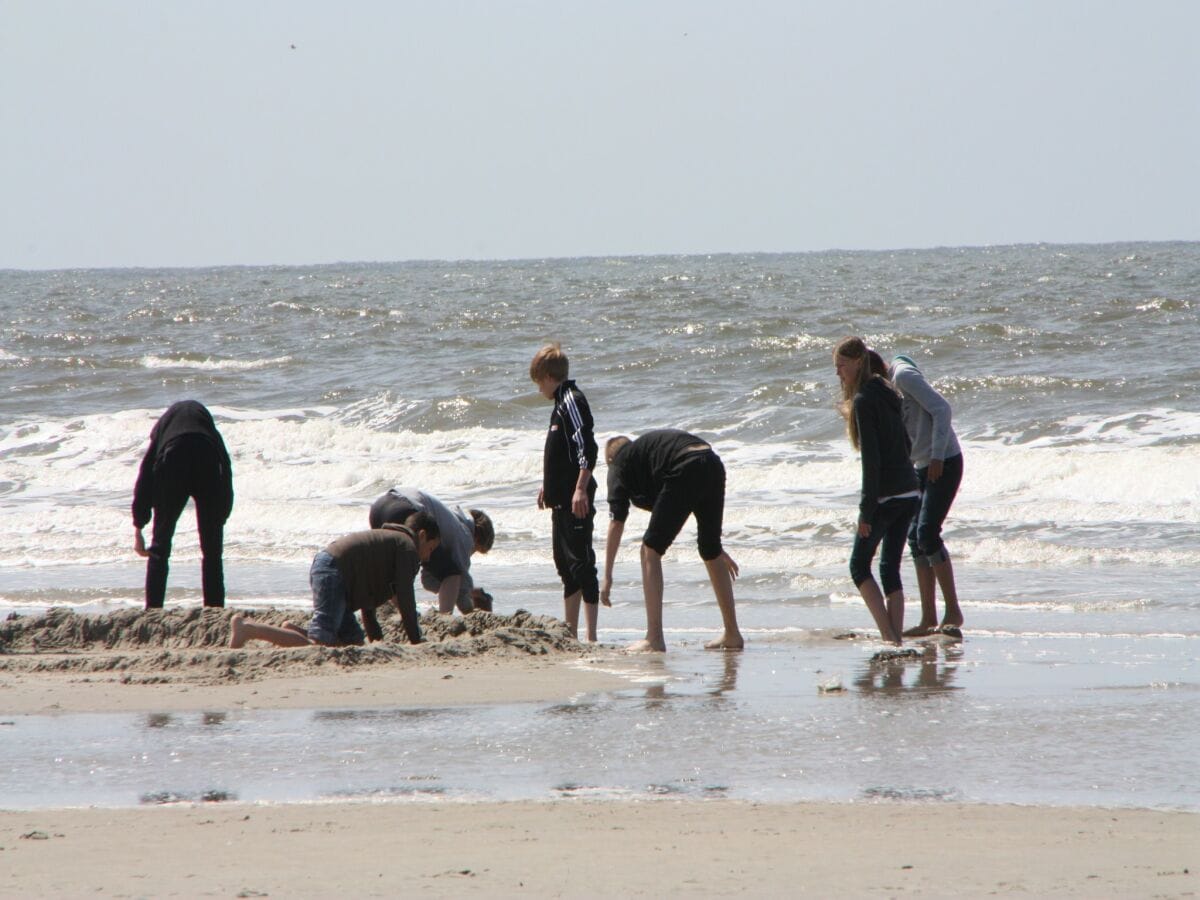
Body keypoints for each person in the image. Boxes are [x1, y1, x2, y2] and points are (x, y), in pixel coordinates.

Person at [601, 429, 744, 652]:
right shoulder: (647, 456)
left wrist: (607, 576)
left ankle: (654, 637)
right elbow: (683, 500)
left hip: (685, 465)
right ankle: (732, 633)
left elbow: (616, 522)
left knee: (649, 550)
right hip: (711, 461)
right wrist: (717, 548)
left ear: (609, 460)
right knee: (710, 549)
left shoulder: (619, 463)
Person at [229, 511, 440, 649]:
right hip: (333, 573)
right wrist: (416, 641)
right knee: (317, 645)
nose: (428, 557)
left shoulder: (390, 542)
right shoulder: (407, 547)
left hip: (332, 573)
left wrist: (377, 640)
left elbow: (369, 603)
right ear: (421, 536)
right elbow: (406, 598)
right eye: (430, 549)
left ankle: (292, 631)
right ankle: (247, 628)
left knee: (353, 643)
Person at [833, 336, 920, 645]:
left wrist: (865, 511)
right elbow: (906, 444)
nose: (838, 373)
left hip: (885, 497)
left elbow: (872, 462)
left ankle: (888, 636)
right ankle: (895, 639)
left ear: (857, 363)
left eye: (841, 366)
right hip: (910, 491)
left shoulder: (865, 400)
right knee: (889, 568)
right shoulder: (887, 390)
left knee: (858, 566)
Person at [530, 342, 605, 641]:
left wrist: (580, 489)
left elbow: (587, 446)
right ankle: (571, 633)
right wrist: (547, 486)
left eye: (538, 382)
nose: (538, 389)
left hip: (576, 500)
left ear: (548, 376)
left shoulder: (572, 400)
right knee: (565, 566)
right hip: (560, 500)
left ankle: (592, 636)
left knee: (582, 564)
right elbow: (562, 454)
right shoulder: (558, 405)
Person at [889, 354, 965, 637]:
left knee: (928, 533)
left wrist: (936, 457)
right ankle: (928, 618)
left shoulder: (902, 377)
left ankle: (953, 611)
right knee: (915, 539)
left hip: (944, 460)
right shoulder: (890, 390)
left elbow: (942, 409)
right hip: (922, 466)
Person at [132, 400, 234, 609]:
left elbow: (145, 475)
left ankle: (153, 609)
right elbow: (226, 466)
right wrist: (221, 512)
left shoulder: (163, 429)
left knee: (160, 547)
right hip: (207, 458)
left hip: (172, 459)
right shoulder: (208, 429)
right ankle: (214, 610)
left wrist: (139, 525)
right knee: (212, 551)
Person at [368, 487, 495, 613]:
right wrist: (471, 609)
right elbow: (456, 579)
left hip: (379, 508)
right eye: (475, 551)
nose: (469, 555)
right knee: (452, 573)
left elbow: (429, 581)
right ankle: (445, 618)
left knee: (395, 569)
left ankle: (403, 613)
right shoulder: (465, 537)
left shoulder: (451, 520)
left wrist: (469, 591)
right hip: (406, 511)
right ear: (477, 539)